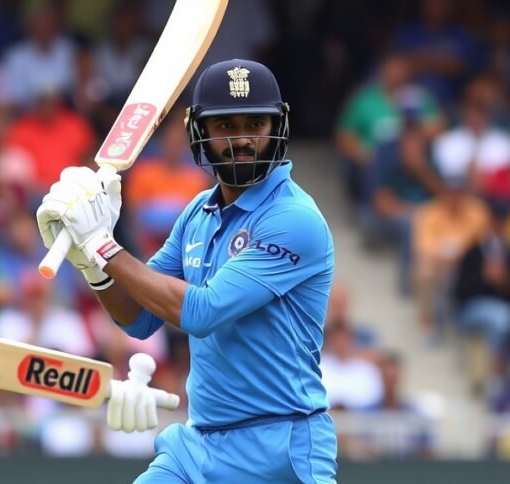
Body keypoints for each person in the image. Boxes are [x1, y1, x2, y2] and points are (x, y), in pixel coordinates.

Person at [37, 59, 337, 483]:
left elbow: (202, 312)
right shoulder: (198, 212)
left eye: (256, 124)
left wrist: (104, 244)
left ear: (279, 127)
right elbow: (139, 319)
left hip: (280, 449)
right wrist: (91, 261)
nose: (242, 140)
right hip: (198, 448)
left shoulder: (294, 218)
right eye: (225, 126)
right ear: (199, 131)